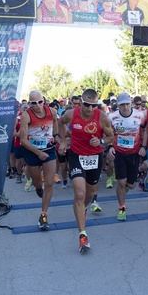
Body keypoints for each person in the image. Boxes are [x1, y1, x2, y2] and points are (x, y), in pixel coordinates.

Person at [58, 89, 113, 254]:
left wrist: (102, 141)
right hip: (76, 156)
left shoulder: (102, 117)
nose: (89, 109)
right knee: (80, 194)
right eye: (87, 105)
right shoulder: (70, 114)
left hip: (95, 158)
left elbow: (111, 136)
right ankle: (82, 234)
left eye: (93, 105)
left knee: (89, 195)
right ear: (81, 102)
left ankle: (84, 208)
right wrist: (62, 140)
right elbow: (60, 123)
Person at [19, 90, 59, 230]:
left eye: (40, 102)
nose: (37, 105)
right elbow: (23, 140)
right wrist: (38, 153)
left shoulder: (52, 112)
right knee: (38, 182)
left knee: (49, 183)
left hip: (48, 150)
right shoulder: (26, 115)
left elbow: (56, 126)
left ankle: (43, 215)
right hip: (31, 151)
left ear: (44, 101)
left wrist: (57, 137)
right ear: (29, 103)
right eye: (33, 103)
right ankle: (37, 187)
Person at [108, 92, 147, 221]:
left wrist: (144, 147)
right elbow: (108, 133)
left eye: (127, 104)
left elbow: (145, 130)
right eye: (122, 105)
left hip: (134, 153)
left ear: (131, 103)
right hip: (119, 153)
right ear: (117, 105)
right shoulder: (112, 117)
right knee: (121, 182)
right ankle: (122, 207)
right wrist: (110, 147)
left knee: (130, 185)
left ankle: (124, 192)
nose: (125, 107)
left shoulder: (140, 115)